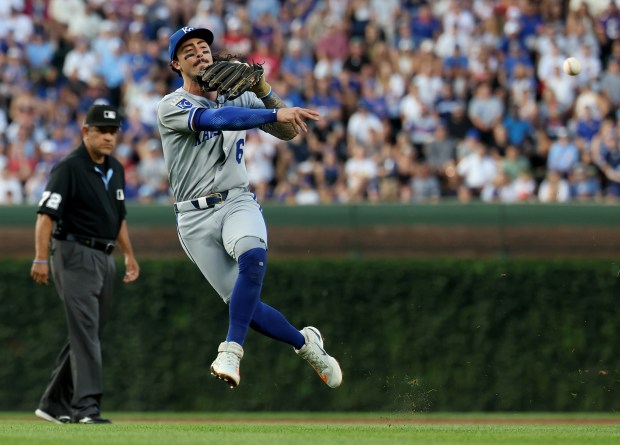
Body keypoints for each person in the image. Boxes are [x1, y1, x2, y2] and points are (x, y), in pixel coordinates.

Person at [156, 27, 342, 389]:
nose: (200, 54)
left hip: (235, 199)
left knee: (252, 255)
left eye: (204, 48)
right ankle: (306, 345)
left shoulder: (238, 96)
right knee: (247, 308)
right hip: (193, 218)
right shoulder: (171, 105)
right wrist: (269, 112)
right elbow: (218, 120)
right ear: (175, 63)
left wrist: (262, 90)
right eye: (189, 50)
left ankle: (231, 351)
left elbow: (288, 131)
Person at [31, 104, 140, 424]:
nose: (108, 137)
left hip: (105, 255)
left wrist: (129, 254)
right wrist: (39, 257)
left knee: (88, 331)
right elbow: (44, 217)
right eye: (101, 131)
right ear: (85, 132)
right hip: (73, 252)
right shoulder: (69, 167)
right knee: (87, 332)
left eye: (112, 132)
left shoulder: (115, 168)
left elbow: (118, 218)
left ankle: (52, 404)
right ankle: (86, 408)